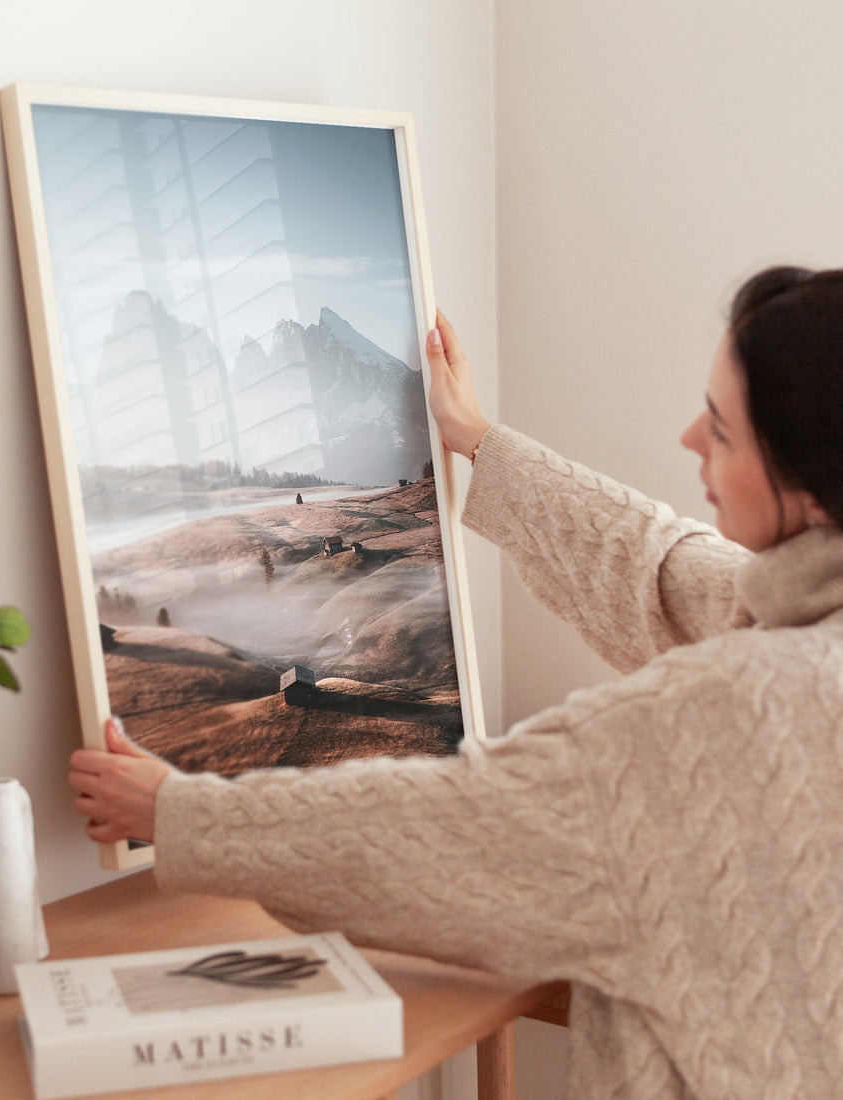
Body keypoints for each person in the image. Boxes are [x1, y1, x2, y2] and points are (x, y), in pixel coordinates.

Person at [69, 266, 843, 1099]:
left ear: (808, 486)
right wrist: (478, 440)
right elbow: (662, 570)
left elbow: (451, 827)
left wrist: (178, 813)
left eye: (723, 431)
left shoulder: (727, 715)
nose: (690, 437)